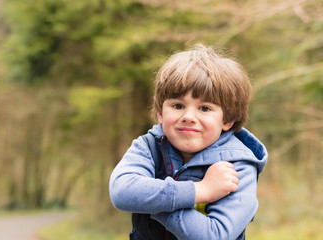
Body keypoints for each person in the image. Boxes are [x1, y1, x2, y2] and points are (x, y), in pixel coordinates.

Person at [109, 44, 268, 240]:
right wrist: (200, 190)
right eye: (177, 105)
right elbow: (121, 192)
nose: (189, 116)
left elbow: (215, 235)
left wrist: (150, 201)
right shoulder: (148, 147)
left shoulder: (238, 166)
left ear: (227, 120)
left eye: (205, 108)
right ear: (160, 113)